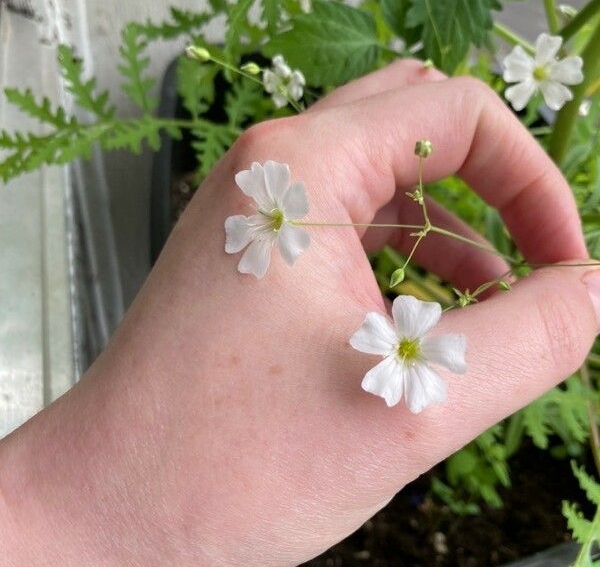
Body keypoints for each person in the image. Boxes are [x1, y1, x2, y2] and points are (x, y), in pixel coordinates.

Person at [0, 59, 598, 566]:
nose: (407, 347)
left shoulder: (377, 314)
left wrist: (63, 515)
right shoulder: (349, 290)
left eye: (407, 347)